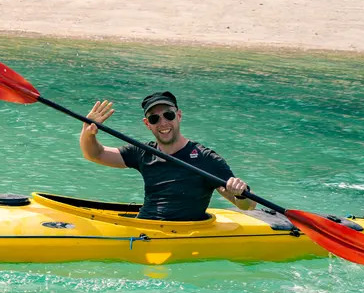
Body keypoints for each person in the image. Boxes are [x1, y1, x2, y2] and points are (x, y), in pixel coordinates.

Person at [79, 91, 252, 221]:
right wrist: (88, 132)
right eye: (154, 119)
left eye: (168, 115)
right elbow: (96, 154)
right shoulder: (143, 152)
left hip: (182, 234)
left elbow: (247, 205)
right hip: (145, 228)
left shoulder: (205, 159)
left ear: (179, 116)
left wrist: (241, 194)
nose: (163, 123)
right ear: (148, 124)